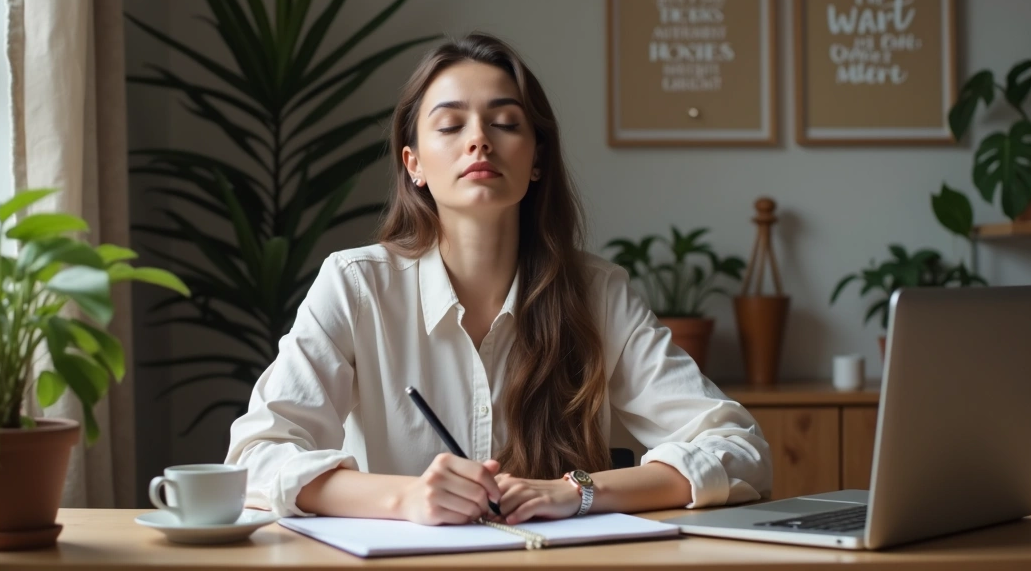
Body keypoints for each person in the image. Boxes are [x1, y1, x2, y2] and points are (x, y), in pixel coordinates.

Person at [226, 32, 772, 526]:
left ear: (536, 158)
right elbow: (256, 458)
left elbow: (740, 449)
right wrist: (407, 498)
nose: (480, 140)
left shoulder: (597, 293)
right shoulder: (355, 286)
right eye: (450, 125)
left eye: (506, 123)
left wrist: (575, 492)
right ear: (412, 164)